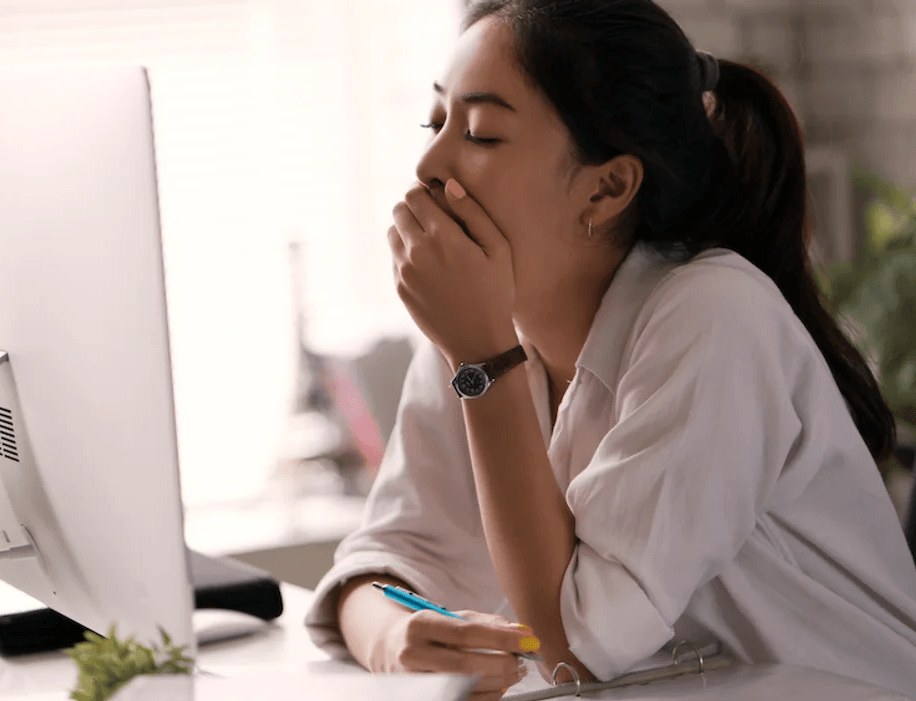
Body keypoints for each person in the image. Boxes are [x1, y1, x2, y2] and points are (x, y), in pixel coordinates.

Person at [303, 1, 916, 698]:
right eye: (434, 120)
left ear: (606, 186)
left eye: (478, 132)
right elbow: (388, 555)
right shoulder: (475, 329)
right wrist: (388, 635)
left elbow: (572, 648)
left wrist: (482, 363)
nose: (428, 161)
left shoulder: (712, 316)